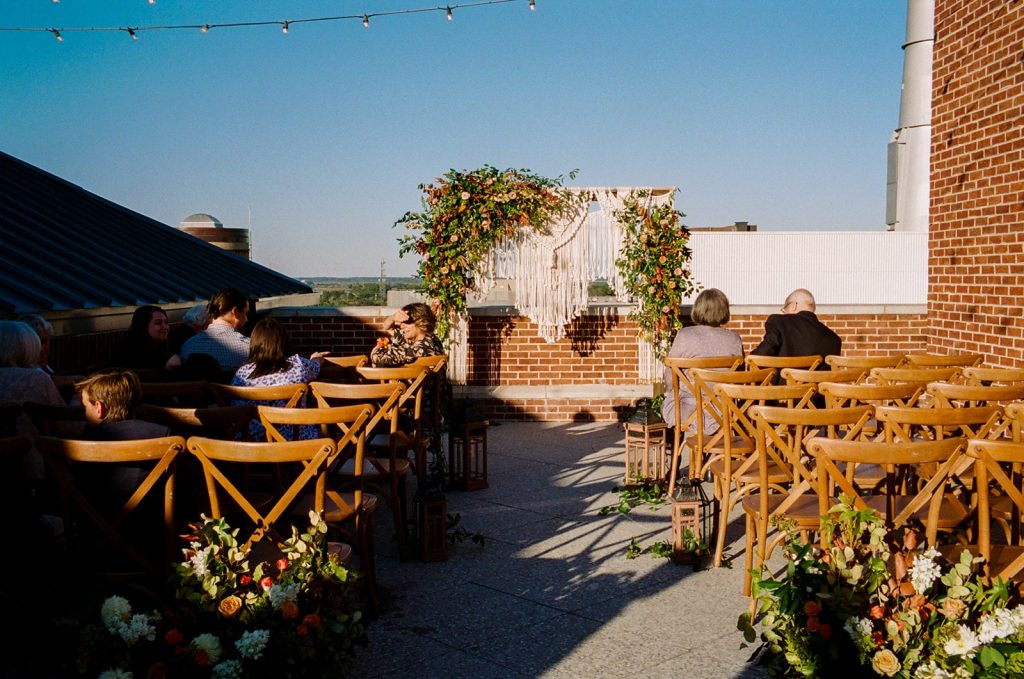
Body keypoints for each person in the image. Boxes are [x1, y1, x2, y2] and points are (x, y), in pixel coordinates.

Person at [660, 288, 744, 431]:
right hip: (723, 411)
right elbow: (739, 376)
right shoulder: (734, 339)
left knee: (670, 399)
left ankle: (675, 451)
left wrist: (669, 392)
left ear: (698, 308)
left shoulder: (685, 335)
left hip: (686, 410)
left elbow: (670, 375)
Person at [231, 318, 328, 440]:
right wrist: (316, 358)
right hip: (293, 440)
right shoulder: (298, 366)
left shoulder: (242, 373)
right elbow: (315, 366)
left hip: (251, 442)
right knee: (328, 439)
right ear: (284, 342)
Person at [77, 369, 170, 441]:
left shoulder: (88, 439)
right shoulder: (161, 433)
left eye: (85, 407)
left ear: (99, 408)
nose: (84, 412)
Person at [751, 288, 841, 361]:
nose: (784, 313)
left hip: (785, 383)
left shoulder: (779, 322)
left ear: (794, 305)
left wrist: (749, 358)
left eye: (784, 309)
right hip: (816, 383)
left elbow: (761, 354)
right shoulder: (834, 339)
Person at [180, 288, 251, 373]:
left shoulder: (188, 346)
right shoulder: (248, 347)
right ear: (235, 311)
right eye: (245, 313)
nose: (246, 319)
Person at [370, 302, 445, 367]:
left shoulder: (416, 350)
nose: (401, 326)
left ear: (420, 322)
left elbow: (377, 358)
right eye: (401, 322)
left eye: (406, 322)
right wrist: (393, 318)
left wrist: (379, 347)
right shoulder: (432, 340)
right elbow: (387, 327)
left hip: (407, 384)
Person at [113, 305, 179, 371]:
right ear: (143, 326)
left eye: (166, 322)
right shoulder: (136, 347)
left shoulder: (157, 344)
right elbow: (174, 363)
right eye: (158, 323)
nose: (165, 327)